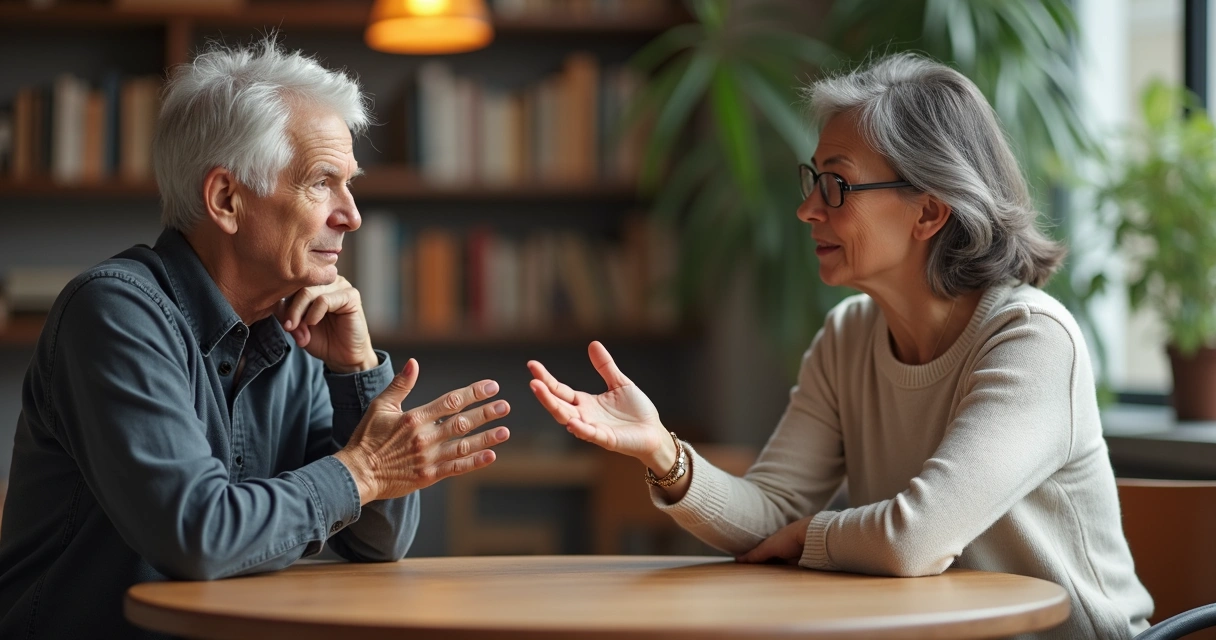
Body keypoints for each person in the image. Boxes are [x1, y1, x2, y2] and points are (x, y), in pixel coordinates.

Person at [528, 53, 1153, 639]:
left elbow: (915, 540)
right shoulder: (848, 335)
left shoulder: (1032, 340)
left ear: (929, 213)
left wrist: (812, 537)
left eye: (836, 186)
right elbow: (771, 512)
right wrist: (663, 452)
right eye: (813, 180)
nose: (806, 210)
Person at [0, 39, 512, 638]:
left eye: (350, 185)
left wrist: (355, 373)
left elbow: (379, 542)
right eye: (323, 183)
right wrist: (365, 469)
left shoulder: (292, 330)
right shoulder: (114, 312)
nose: (351, 214)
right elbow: (199, 534)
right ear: (225, 199)